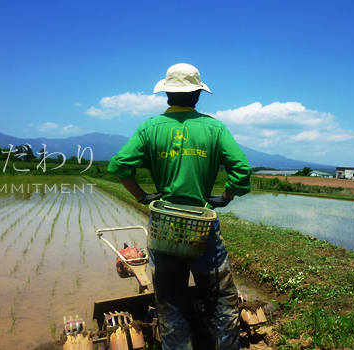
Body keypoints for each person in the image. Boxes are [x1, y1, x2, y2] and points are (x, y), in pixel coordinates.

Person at [107, 63, 251, 349]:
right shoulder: (213, 127)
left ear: (167, 94)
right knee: (219, 298)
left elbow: (120, 166)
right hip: (201, 226)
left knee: (171, 301)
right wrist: (226, 196)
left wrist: (141, 196)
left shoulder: (151, 127)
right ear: (198, 94)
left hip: (165, 227)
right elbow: (242, 169)